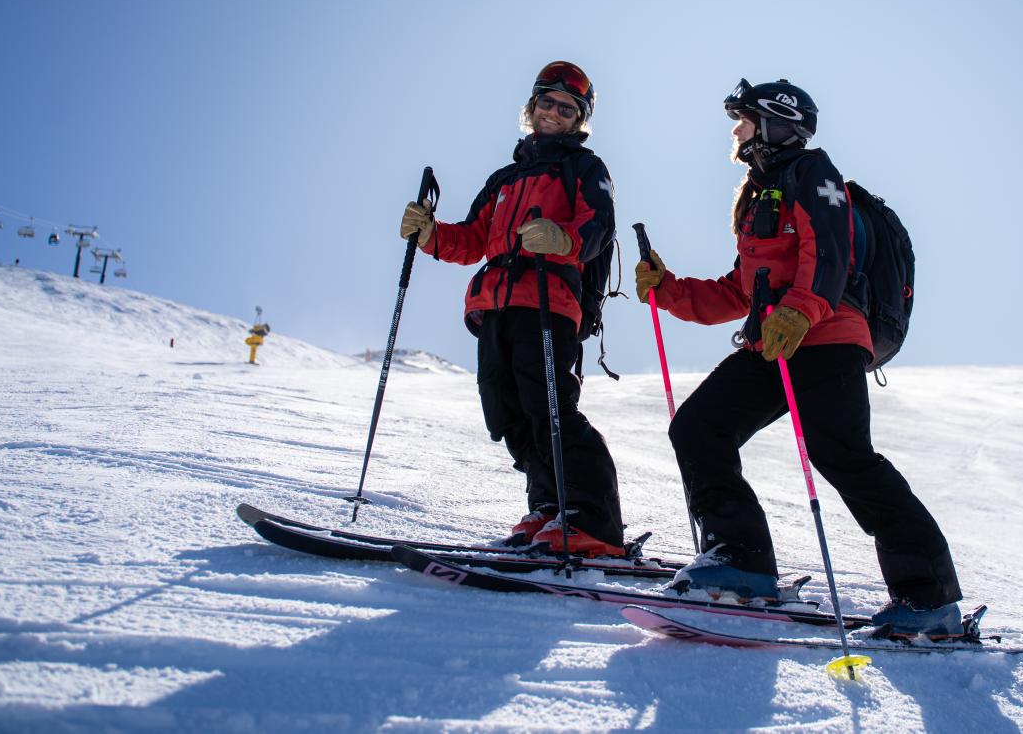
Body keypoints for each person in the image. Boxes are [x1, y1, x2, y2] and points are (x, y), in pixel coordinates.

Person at [634, 77, 964, 636]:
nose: (735, 131)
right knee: (698, 427)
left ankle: (929, 600)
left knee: (843, 456)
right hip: (775, 340)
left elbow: (829, 252)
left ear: (773, 124)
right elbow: (740, 290)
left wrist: (802, 311)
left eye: (742, 119)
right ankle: (740, 562)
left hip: (827, 334)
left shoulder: (816, 175)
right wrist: (668, 289)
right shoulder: (757, 196)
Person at [399, 61, 624, 557]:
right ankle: (549, 507)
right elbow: (474, 239)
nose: (554, 113)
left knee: (551, 408)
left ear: (579, 119)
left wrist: (562, 237)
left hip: (549, 298)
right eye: (547, 102)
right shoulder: (505, 178)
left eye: (567, 109)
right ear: (532, 107)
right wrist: (431, 233)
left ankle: (594, 522)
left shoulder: (585, 168)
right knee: (510, 413)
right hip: (495, 302)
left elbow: (599, 226)